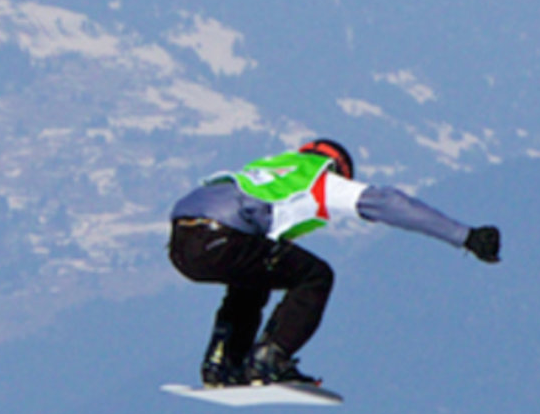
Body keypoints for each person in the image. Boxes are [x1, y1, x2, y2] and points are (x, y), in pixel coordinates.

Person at [168, 139, 501, 387]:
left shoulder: (272, 167)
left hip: (183, 241)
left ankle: (221, 364)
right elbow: (389, 203)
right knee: (315, 276)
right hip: (223, 236)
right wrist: (465, 236)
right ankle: (269, 359)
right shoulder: (320, 177)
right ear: (337, 168)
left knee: (253, 282)